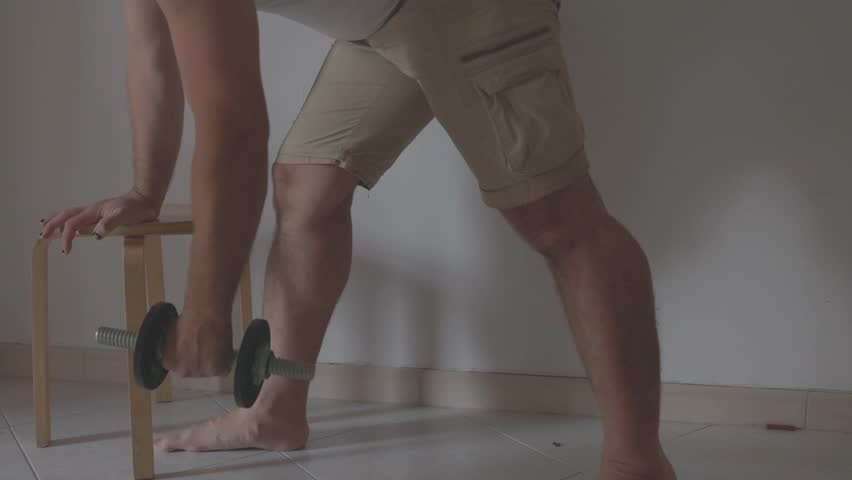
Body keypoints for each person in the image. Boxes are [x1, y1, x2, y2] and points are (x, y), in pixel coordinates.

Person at [39, 0, 675, 478]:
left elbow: (232, 128)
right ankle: (277, 413)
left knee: (559, 220)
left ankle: (635, 461)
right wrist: (146, 190)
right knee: (306, 185)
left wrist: (206, 314)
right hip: (383, 22)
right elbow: (152, 55)